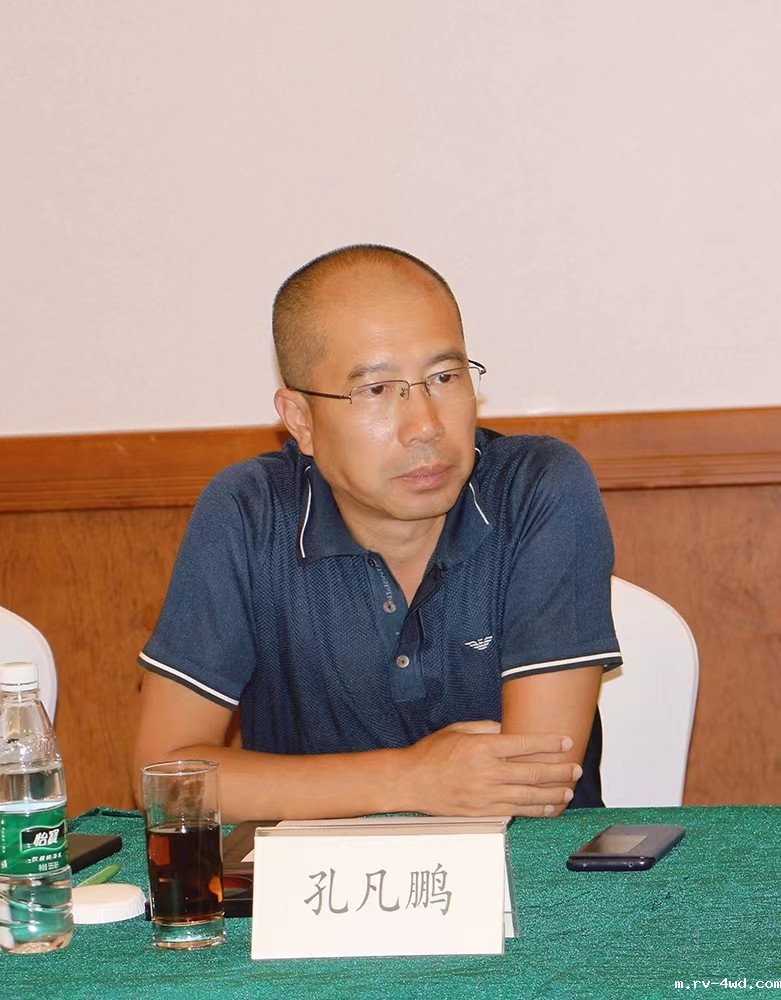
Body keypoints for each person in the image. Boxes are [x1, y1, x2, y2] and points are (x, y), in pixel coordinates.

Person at [133, 244, 621, 822]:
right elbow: (162, 781)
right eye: (376, 390)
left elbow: (534, 785)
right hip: (313, 877)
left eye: (445, 377)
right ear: (301, 420)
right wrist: (411, 779)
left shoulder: (536, 489)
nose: (425, 426)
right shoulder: (250, 513)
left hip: (527, 872)